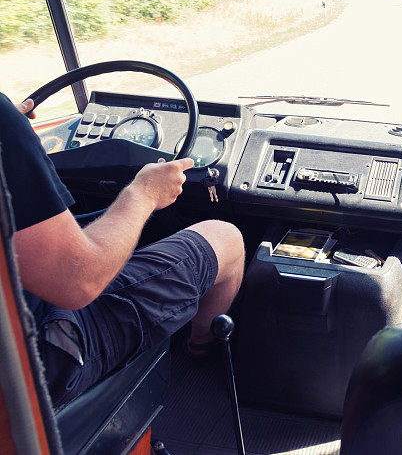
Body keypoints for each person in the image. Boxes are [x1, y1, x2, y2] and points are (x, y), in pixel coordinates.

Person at [1, 94, 245, 407]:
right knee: (225, 237)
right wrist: (144, 194)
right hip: (41, 357)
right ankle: (198, 349)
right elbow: (78, 281)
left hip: (15, 334)